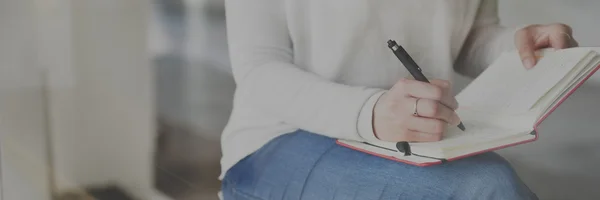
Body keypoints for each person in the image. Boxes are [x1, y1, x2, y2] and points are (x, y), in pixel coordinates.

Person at [219, 0, 578, 199]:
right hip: (282, 137)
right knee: (485, 188)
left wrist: (516, 44)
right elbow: (259, 69)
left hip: (418, 138)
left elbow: (469, 36)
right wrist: (370, 112)